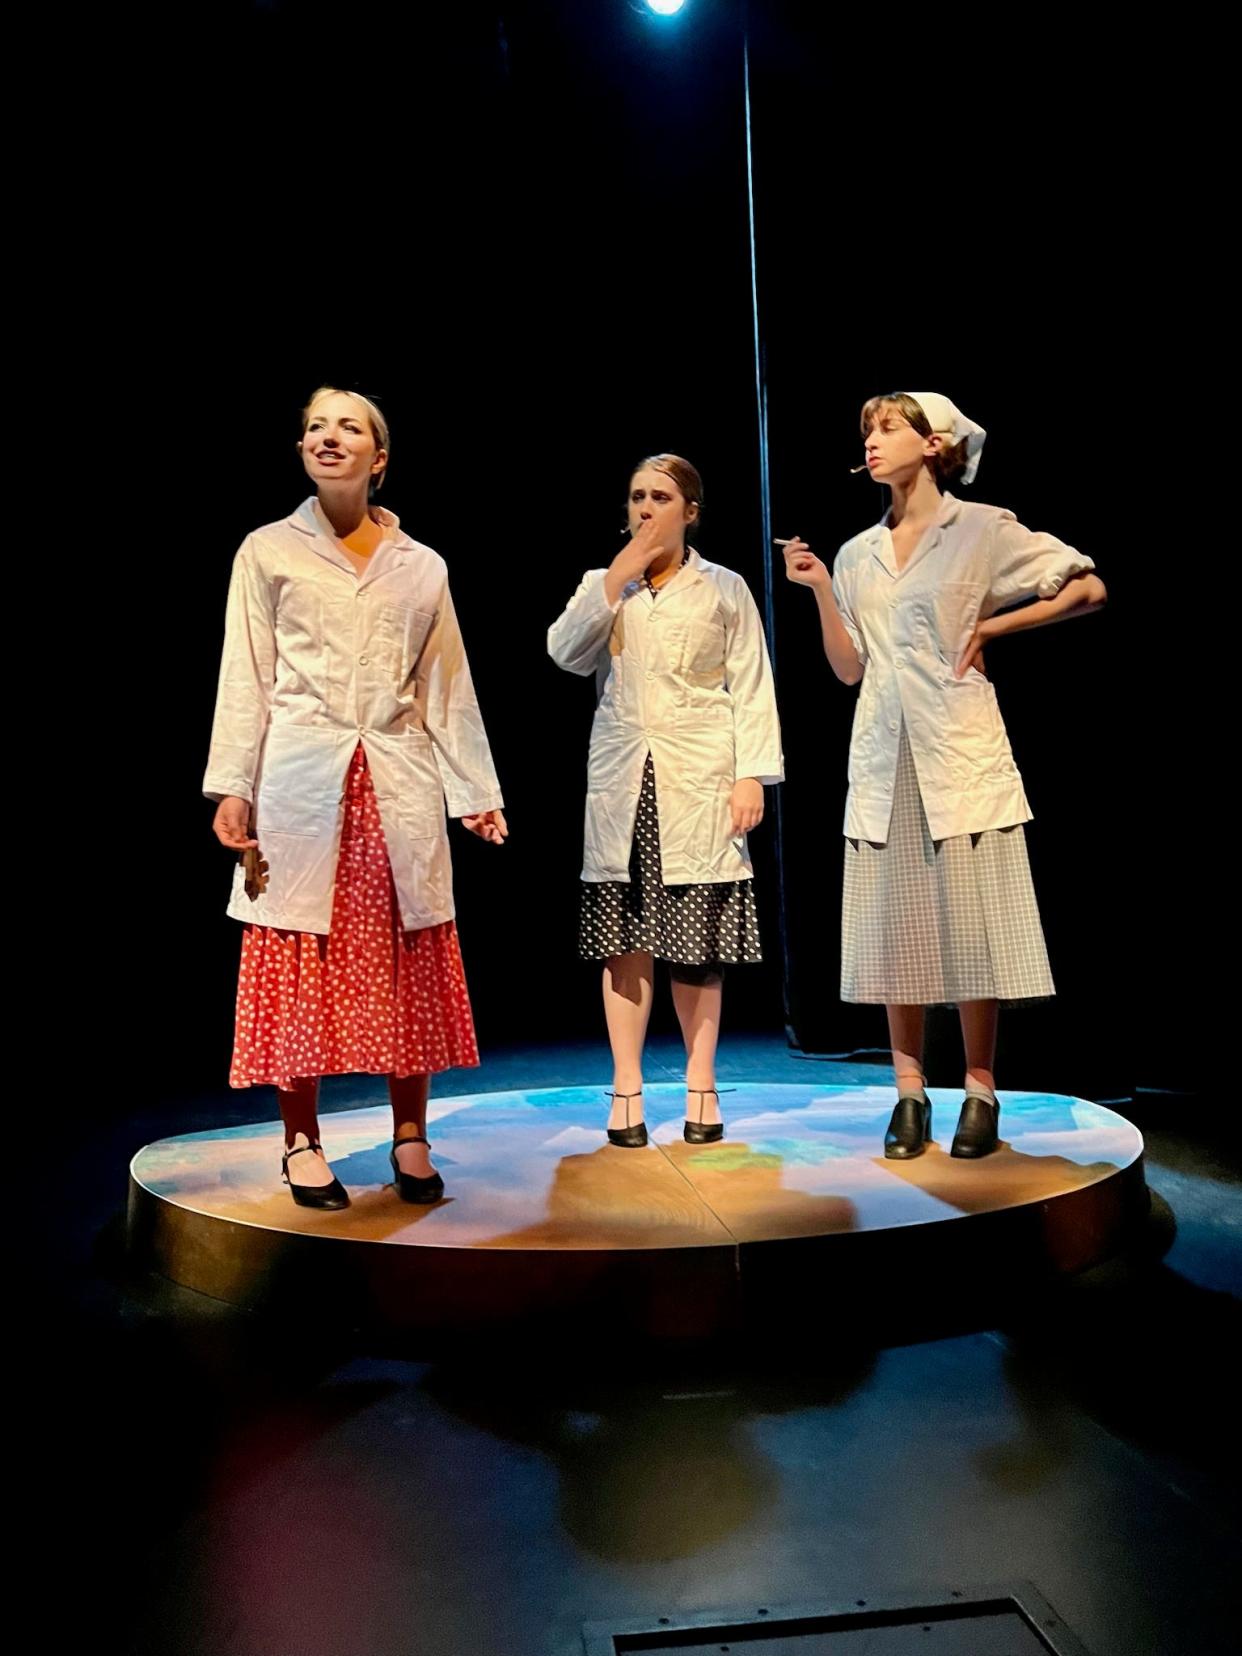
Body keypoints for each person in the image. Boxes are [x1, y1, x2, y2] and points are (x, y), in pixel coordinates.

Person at [205, 387, 506, 1208]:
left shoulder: (423, 565)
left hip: (395, 779)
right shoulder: (267, 550)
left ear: (380, 457)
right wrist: (233, 785)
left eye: (348, 428)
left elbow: (447, 684)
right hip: (302, 779)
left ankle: (410, 1134)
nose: (327, 438)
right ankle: (300, 1140)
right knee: (300, 958)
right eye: (314, 427)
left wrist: (474, 790)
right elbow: (247, 675)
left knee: (407, 954)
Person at [783, 392, 1105, 1160]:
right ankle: (908, 1093)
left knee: (972, 931)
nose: (871, 441)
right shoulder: (859, 553)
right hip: (885, 753)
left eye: (888, 428)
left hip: (959, 753)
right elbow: (848, 668)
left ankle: (981, 1091)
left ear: (934, 445)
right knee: (898, 933)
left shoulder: (982, 529)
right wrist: (823, 588)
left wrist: (993, 625)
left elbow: (1086, 587)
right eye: (866, 431)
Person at [549, 454, 783, 1147]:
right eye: (636, 497)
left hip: (700, 779)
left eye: (661, 497)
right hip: (626, 780)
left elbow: (752, 684)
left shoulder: (724, 589)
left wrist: (751, 775)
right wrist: (616, 578)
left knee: (695, 947)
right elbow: (564, 652)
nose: (646, 508)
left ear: (691, 511)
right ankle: (626, 1087)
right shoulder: (605, 586)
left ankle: (701, 1086)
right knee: (624, 945)